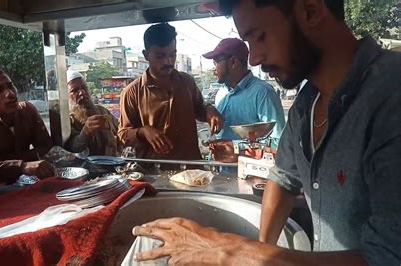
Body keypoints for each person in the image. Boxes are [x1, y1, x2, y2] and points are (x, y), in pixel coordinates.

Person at [132, 0, 401, 265]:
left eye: (259, 37)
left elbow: (387, 257)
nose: (256, 58)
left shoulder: (390, 95)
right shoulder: (307, 104)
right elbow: (282, 179)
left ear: (310, 10)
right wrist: (262, 249)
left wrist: (231, 252)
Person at [118, 23, 224, 160]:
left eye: (172, 55)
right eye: (160, 56)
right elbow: (123, 135)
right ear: (146, 55)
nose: (168, 61)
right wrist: (143, 131)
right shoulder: (132, 92)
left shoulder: (187, 82)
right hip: (154, 172)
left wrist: (210, 110)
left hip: (192, 168)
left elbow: (200, 110)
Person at [0, 65, 54, 190]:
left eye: (10, 86)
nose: (10, 94)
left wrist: (3, 161)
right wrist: (20, 166)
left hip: (29, 185)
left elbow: (46, 146)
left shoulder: (27, 110)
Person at [203, 38, 285, 147]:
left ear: (233, 62)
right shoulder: (221, 94)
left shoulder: (263, 93)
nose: (214, 68)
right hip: (222, 164)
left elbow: (279, 142)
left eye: (217, 61)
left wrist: (237, 148)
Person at [64, 71, 121, 156]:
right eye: (75, 90)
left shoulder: (102, 111)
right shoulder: (68, 120)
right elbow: (72, 146)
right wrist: (85, 132)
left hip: (113, 164)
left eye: (84, 88)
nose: (82, 93)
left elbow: (120, 128)